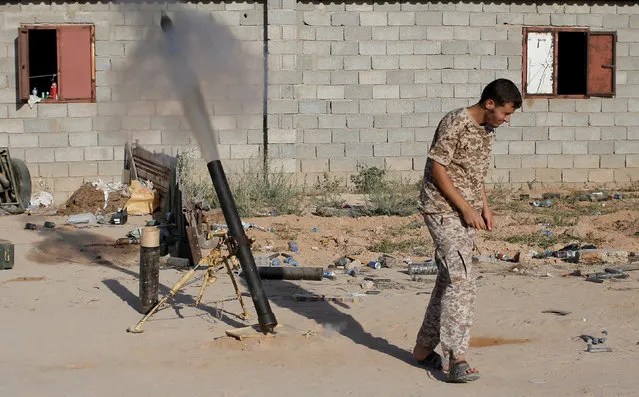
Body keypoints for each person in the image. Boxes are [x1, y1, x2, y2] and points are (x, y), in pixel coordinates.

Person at [412, 79, 522, 383]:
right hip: (442, 209)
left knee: (450, 277)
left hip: (466, 211)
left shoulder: (487, 129)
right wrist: (465, 208)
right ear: (490, 104)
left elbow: (475, 172)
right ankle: (455, 358)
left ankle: (423, 350)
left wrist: (484, 205)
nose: (507, 121)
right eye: (505, 113)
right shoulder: (455, 122)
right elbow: (438, 167)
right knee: (463, 279)